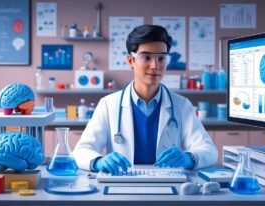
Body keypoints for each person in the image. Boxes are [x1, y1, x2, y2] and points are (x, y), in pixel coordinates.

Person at [73, 24, 218, 175]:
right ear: (130, 60)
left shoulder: (181, 105)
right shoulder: (109, 105)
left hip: (168, 186)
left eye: (161, 58)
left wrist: (188, 158)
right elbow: (81, 150)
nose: (155, 66)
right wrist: (98, 161)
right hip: (122, 186)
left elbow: (209, 150)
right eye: (147, 57)